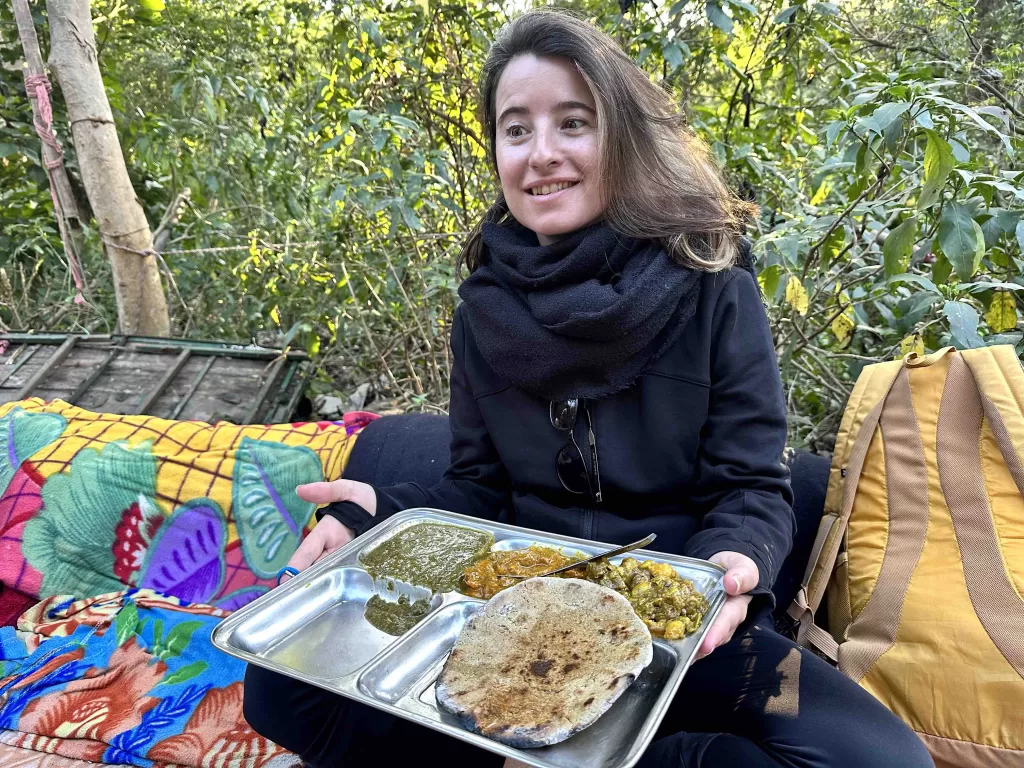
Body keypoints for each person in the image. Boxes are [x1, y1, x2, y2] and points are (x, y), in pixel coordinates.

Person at [243, 9, 934, 768]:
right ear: (497, 152)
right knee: (279, 693)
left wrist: (733, 563)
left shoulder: (712, 287)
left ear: (620, 138)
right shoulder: (484, 311)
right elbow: (477, 488)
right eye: (516, 130)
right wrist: (381, 520)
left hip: (671, 610)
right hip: (513, 613)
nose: (542, 154)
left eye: (573, 123)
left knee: (880, 761)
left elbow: (751, 486)